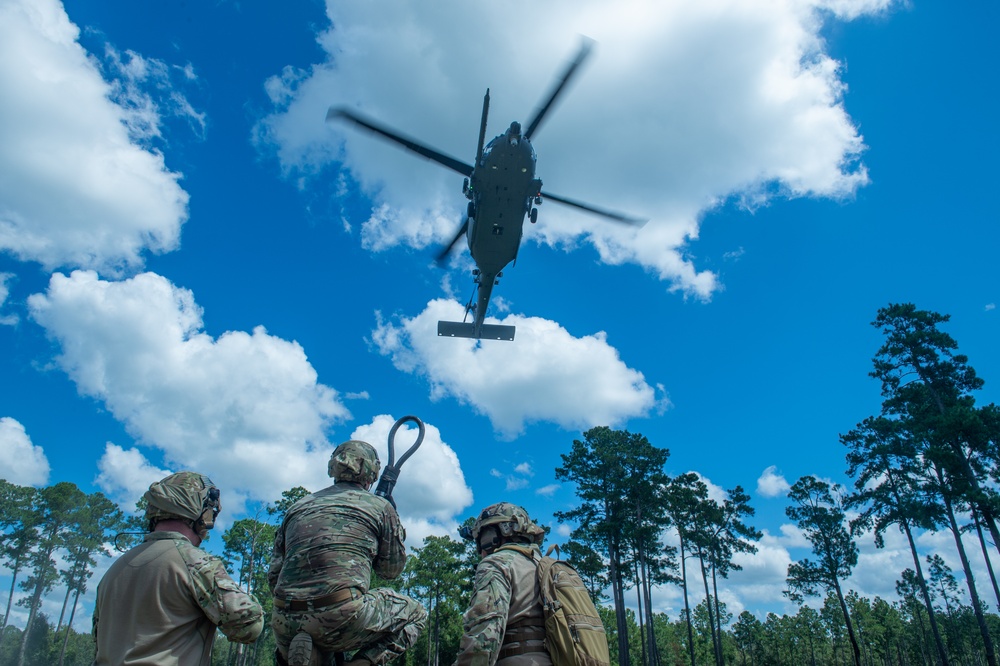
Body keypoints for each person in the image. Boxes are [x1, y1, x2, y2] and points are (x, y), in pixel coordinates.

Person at [268, 439, 428, 666]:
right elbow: (390, 571)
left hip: (285, 621)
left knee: (314, 635)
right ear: (371, 471)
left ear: (333, 467)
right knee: (417, 614)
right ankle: (364, 662)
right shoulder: (380, 507)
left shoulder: (297, 507)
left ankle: (308, 655)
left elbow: (274, 576)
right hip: (341, 617)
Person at [93, 471, 264, 665]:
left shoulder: (115, 570)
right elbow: (249, 627)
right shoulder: (196, 563)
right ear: (203, 514)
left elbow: (98, 639)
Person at [454, 502, 550, 666]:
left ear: (492, 536)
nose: (480, 552)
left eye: (481, 540)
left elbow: (482, 639)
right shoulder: (544, 565)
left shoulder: (496, 563)